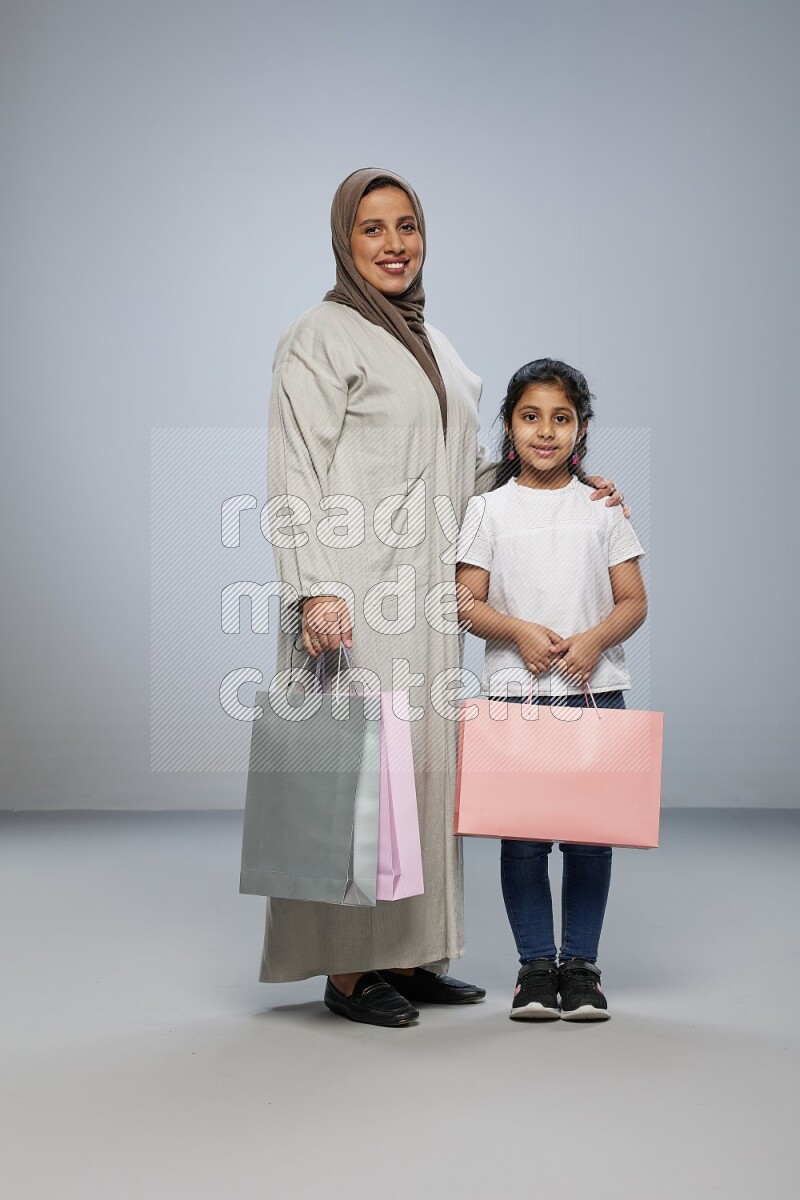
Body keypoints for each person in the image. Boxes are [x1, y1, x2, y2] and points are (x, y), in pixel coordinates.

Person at [261, 169, 628, 1028]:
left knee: (422, 778)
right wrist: (313, 588)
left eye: (409, 226)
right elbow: (293, 474)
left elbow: (467, 473)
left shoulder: (435, 344)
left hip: (425, 595)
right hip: (351, 593)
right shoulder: (320, 336)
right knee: (354, 780)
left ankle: (406, 953)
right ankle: (347, 969)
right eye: (373, 229)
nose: (395, 244)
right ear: (344, 243)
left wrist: (557, 475)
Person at [455, 359, 647, 1021]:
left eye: (561, 418)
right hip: (516, 694)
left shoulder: (600, 507)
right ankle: (535, 969)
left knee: (592, 839)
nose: (546, 431)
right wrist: (518, 631)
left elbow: (633, 600)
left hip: (597, 692)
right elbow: (464, 600)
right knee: (525, 839)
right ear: (509, 426)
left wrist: (593, 640)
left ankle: (583, 968)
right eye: (530, 416)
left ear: (581, 428)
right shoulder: (488, 510)